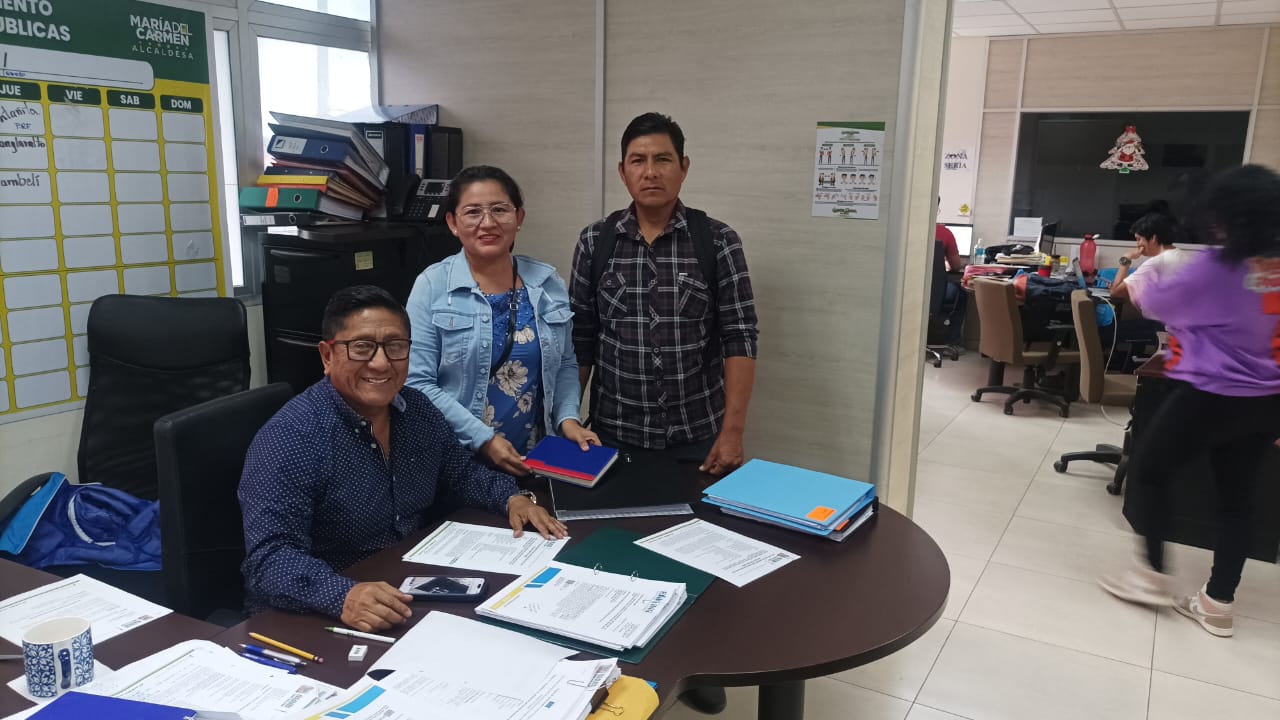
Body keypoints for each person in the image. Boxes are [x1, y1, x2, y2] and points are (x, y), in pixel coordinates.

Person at [570, 112, 759, 714]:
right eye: (638, 160)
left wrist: (732, 433)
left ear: (684, 167)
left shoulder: (716, 240)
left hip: (695, 438)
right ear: (622, 171)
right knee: (616, 560)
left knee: (697, 561)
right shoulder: (596, 241)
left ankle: (699, 670)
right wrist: (567, 422)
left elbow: (740, 338)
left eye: (662, 160)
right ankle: (624, 673)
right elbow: (580, 340)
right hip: (615, 437)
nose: (650, 171)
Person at [239, 285, 566, 632]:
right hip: (318, 614)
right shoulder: (292, 437)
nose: (381, 363)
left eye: (395, 347)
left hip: (404, 589)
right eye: (361, 347)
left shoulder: (416, 410)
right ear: (327, 356)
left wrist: (513, 498)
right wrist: (342, 595)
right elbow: (269, 559)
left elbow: (460, 474)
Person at [1098, 164, 1280, 638]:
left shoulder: (1216, 268)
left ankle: (1153, 576)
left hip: (1210, 395)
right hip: (1267, 402)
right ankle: (1218, 602)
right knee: (1237, 500)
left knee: (1149, 471)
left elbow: (1154, 303)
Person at [406, 166, 598, 476]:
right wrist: (483, 438)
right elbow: (416, 383)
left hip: (535, 460)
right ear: (453, 223)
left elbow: (565, 364)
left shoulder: (547, 283)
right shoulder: (432, 286)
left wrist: (569, 420)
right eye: (473, 212)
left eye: (499, 209)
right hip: (457, 462)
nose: (488, 222)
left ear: (519, 218)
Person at [935, 198, 967, 351]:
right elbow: (956, 266)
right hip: (935, 293)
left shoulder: (905, 229)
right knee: (962, 292)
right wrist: (944, 264)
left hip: (906, 291)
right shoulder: (945, 233)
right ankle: (952, 342)